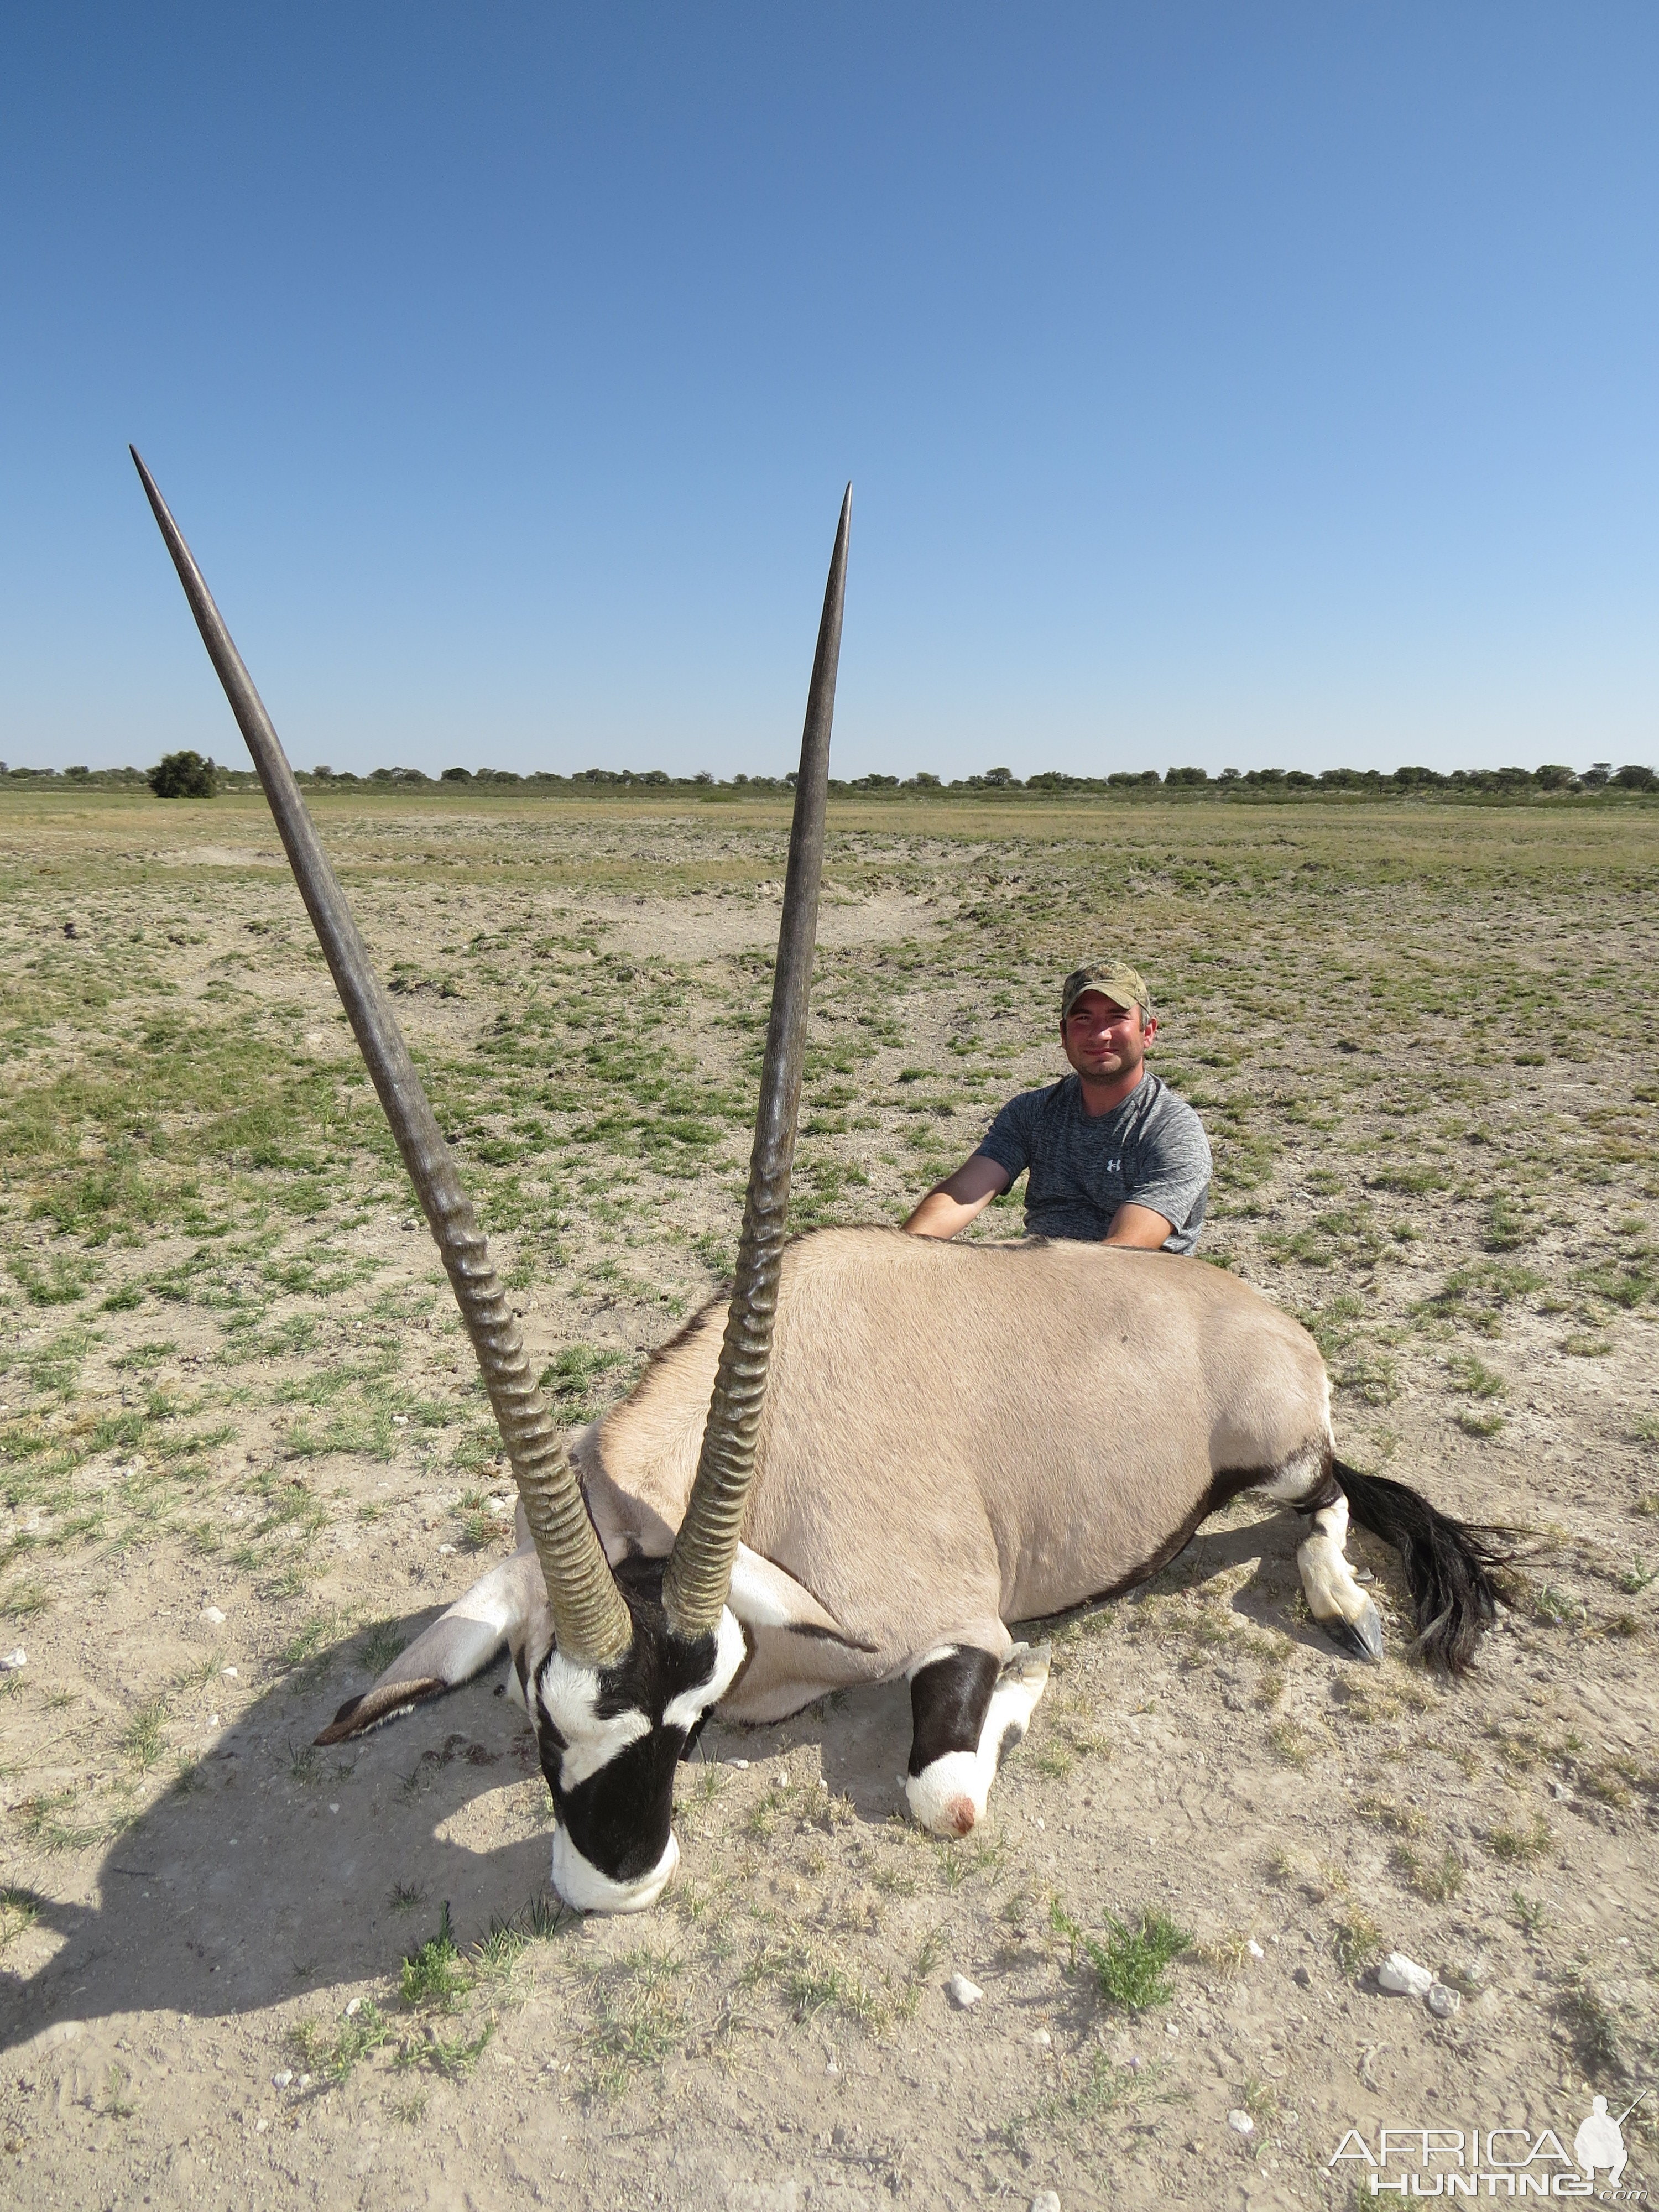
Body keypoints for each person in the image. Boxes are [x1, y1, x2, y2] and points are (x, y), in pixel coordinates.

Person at [900, 961, 1212, 1253]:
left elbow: (1126, 1250)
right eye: (1083, 1019)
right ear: (1063, 1035)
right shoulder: (1032, 1112)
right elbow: (963, 1195)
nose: (1100, 1034)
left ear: (1148, 1032)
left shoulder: (1172, 1130)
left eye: (1117, 1017)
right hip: (1042, 1277)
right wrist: (901, 1254)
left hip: (1136, 1295)